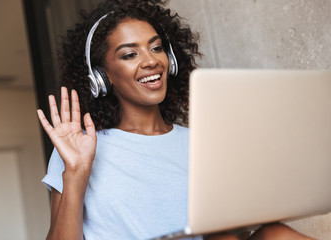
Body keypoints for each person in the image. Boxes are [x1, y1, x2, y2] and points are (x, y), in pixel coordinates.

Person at [37, 0, 314, 239]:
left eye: (156, 48)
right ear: (101, 77)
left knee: (272, 233)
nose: (150, 61)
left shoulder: (202, 143)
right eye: (130, 54)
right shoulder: (78, 149)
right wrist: (75, 173)